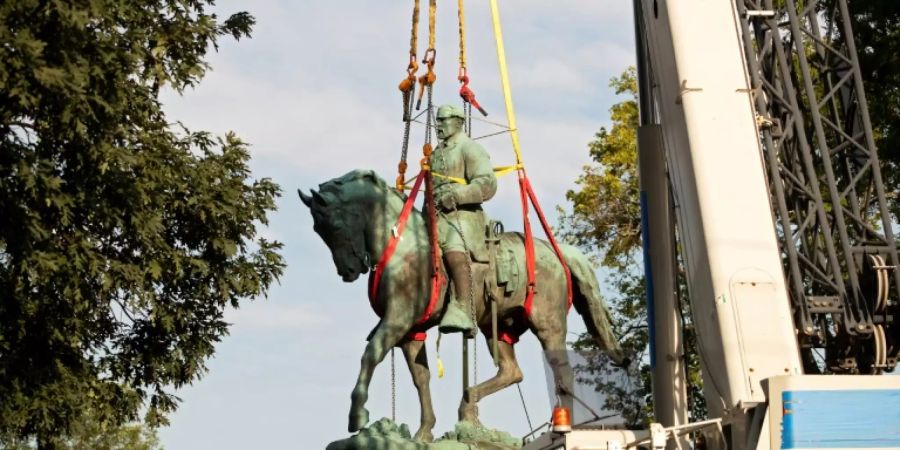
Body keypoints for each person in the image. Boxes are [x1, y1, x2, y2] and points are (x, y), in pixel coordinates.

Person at [430, 104, 497, 335]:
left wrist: (457, 195)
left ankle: (463, 307)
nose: (438, 125)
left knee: (453, 247)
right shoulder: (436, 153)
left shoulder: (470, 149)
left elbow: (487, 183)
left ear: (458, 122)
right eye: (437, 121)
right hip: (437, 216)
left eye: (443, 121)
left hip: (465, 216)